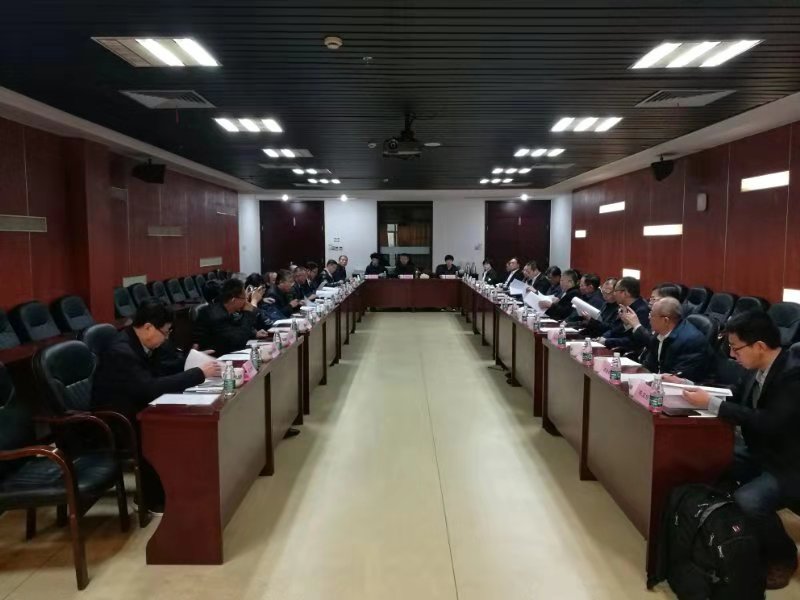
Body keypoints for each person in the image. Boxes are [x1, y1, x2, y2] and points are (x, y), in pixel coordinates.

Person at [683, 311, 800, 571]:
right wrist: (690, 386)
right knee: (705, 460)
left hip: (789, 462)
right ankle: (731, 536)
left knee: (749, 500)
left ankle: (783, 557)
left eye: (736, 348)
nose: (732, 354)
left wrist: (713, 404)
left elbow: (770, 422)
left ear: (759, 346)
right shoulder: (755, 367)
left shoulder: (793, 375)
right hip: (760, 449)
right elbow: (737, 395)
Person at [92, 300, 222, 512]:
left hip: (137, 407)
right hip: (116, 421)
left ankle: (180, 487)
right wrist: (198, 373)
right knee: (168, 429)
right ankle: (153, 498)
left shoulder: (139, 342)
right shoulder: (121, 351)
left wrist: (192, 363)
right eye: (166, 332)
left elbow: (161, 371)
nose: (167, 337)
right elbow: (150, 387)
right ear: (148, 327)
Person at [193, 278, 269, 356]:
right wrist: (249, 312)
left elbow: (237, 328)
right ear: (233, 300)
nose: (245, 301)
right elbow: (238, 341)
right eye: (244, 298)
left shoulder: (227, 310)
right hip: (214, 357)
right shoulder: (216, 315)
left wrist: (253, 333)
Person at [641, 297, 709, 381]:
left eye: (652, 315)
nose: (649, 317)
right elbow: (649, 364)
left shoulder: (691, 341)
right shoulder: (659, 333)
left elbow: (676, 378)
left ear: (665, 320)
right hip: (658, 381)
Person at [621, 282, 684, 348]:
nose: (650, 302)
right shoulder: (653, 313)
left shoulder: (667, 320)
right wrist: (629, 323)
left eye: (653, 299)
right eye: (650, 299)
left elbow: (652, 343)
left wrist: (636, 324)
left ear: (667, 300)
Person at [599, 276, 650, 351]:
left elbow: (635, 340)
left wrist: (607, 341)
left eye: (615, 291)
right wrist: (603, 337)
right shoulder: (624, 307)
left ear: (625, 293)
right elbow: (615, 329)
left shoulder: (642, 310)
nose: (614, 294)